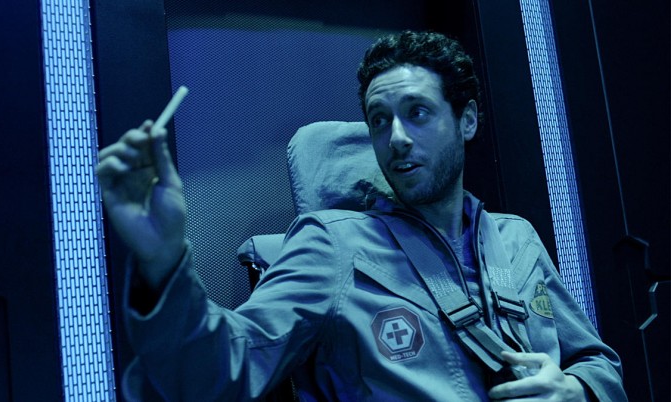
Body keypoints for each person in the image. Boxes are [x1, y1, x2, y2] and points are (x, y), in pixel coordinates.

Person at [97, 31, 627, 401]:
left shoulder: (516, 239)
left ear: (465, 121)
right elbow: (221, 371)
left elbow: (600, 364)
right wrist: (162, 261)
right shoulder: (332, 245)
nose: (396, 138)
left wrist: (574, 390)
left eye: (417, 113)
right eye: (379, 120)